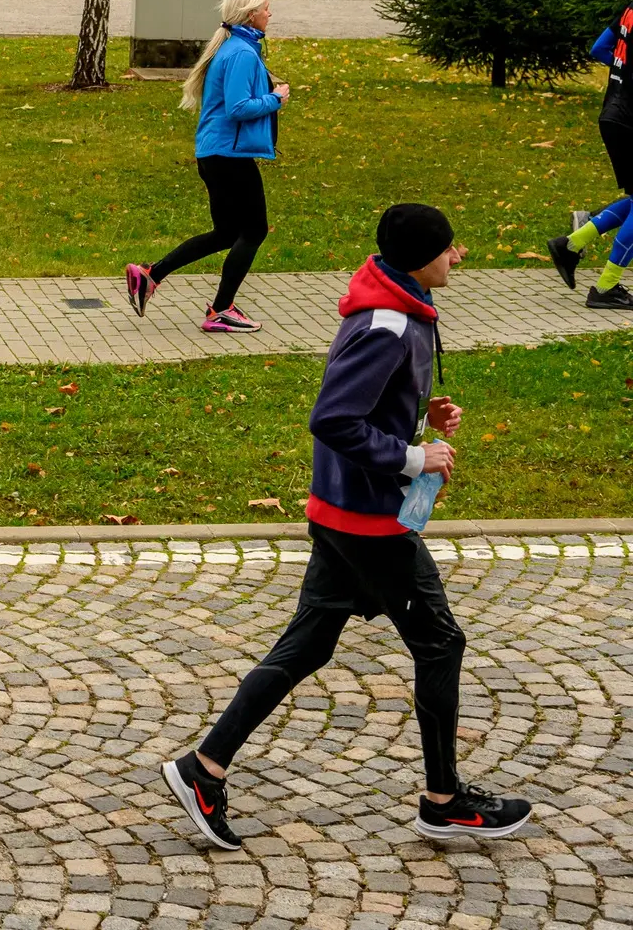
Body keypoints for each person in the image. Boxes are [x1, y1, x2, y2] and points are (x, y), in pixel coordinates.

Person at [162, 205, 532, 850]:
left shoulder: (401, 305)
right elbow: (332, 418)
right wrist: (414, 457)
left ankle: (204, 769)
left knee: (308, 645)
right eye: (449, 248)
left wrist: (418, 417)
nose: (460, 256)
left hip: (346, 511)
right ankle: (443, 801)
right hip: (368, 522)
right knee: (441, 643)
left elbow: (368, 408)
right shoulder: (386, 324)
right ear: (421, 258)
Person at [126, 0, 288, 333]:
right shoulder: (242, 53)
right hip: (228, 155)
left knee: (227, 232)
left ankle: (151, 274)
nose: (269, 13)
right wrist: (276, 98)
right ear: (250, 14)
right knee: (254, 229)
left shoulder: (234, 48)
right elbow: (239, 107)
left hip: (215, 153)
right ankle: (221, 309)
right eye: (265, 8)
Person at [548, 3, 633, 308]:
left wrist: (624, 74)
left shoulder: (630, 8)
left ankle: (570, 244)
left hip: (613, 112)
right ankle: (605, 287)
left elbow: (599, 48)